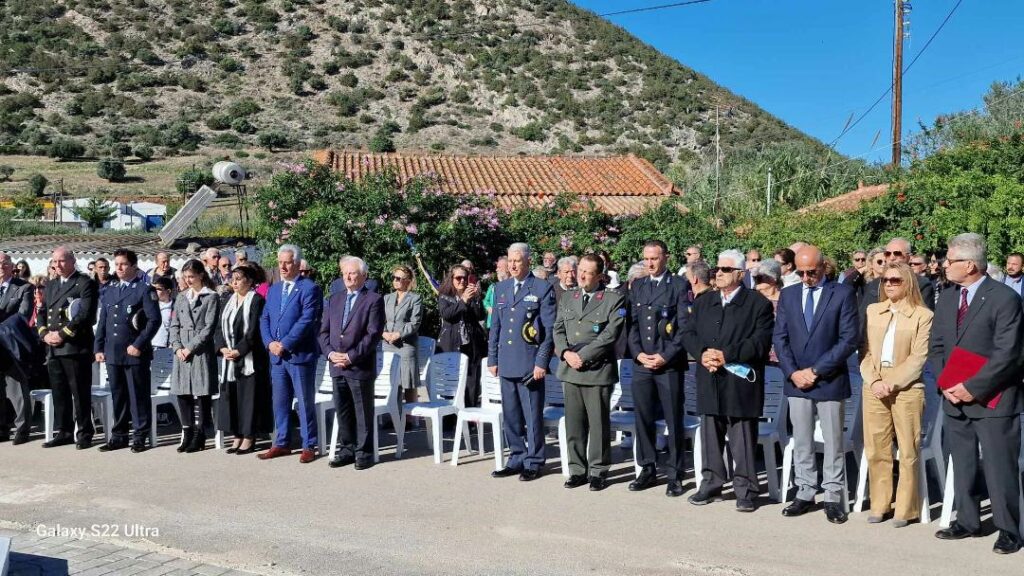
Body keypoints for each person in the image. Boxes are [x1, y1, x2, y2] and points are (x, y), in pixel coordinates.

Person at [931, 233, 1023, 554]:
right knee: (964, 462)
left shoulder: (1004, 299)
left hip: (993, 399)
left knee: (999, 467)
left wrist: (972, 387)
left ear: (969, 264)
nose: (945, 264)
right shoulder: (946, 297)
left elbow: (1008, 354)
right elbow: (937, 346)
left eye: (950, 259)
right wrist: (948, 384)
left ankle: (1009, 528)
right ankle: (968, 521)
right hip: (953, 397)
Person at [683, 249, 775, 512]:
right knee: (711, 433)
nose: (718, 274)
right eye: (716, 270)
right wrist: (703, 354)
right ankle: (711, 483)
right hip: (709, 376)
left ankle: (745, 489)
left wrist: (726, 355)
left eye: (724, 270)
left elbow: (759, 342)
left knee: (742, 437)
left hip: (740, 380)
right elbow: (688, 333)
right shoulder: (704, 301)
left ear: (740, 273)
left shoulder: (757, 304)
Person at [773, 245, 858, 524]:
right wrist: (793, 372)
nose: (807, 277)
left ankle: (833, 495)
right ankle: (805, 490)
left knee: (833, 440)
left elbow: (848, 339)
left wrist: (817, 370)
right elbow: (780, 338)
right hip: (797, 380)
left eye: (812, 272)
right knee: (802, 439)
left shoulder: (842, 293)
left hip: (829, 378)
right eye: (801, 272)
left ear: (824, 267)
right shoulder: (789, 294)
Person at [859, 262, 933, 527]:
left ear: (908, 283)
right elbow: (864, 352)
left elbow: (919, 357)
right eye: (885, 280)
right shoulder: (873, 311)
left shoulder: (922, 315)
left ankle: (906, 509)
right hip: (874, 386)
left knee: (908, 449)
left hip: (907, 389)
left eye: (895, 280)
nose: (889, 284)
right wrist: (875, 380)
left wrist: (892, 382)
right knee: (877, 448)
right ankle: (879, 504)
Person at [553, 254, 625, 492]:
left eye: (587, 272)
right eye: (579, 270)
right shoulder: (568, 297)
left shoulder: (613, 299)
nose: (580, 275)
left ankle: (598, 471)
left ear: (600, 276)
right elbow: (558, 329)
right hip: (570, 369)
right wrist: (565, 353)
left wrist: (582, 356)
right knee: (574, 424)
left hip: (596, 370)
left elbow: (609, 335)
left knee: (598, 424)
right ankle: (577, 470)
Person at [488, 242, 556, 481]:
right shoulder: (501, 288)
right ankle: (516, 457)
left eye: (518, 260)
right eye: (510, 260)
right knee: (511, 415)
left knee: (532, 416)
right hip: (506, 362)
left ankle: (534, 460)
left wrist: (541, 363)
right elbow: (495, 327)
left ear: (528, 261)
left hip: (529, 364)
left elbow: (548, 332)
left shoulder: (542, 288)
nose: (513, 264)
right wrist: (493, 359)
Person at [627, 240, 689, 497]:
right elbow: (631, 325)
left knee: (673, 419)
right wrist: (639, 353)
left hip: (668, 365)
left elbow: (684, 327)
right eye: (646, 259)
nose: (650, 263)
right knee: (643, 417)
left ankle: (675, 474)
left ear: (666, 258)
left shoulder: (678, 285)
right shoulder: (638, 286)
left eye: (654, 258)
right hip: (643, 363)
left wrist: (665, 356)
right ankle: (647, 468)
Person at [259, 244, 324, 463]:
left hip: (298, 354)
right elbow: (265, 318)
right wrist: (269, 343)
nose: (283, 267)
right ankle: (282, 442)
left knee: (304, 401)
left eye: (288, 262)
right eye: (280, 263)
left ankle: (309, 444)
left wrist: (284, 343)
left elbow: (306, 321)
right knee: (280, 401)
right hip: (276, 356)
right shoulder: (275, 289)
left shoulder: (309, 288)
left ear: (297, 264)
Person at [94, 249, 161, 453]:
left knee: (137, 396)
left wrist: (139, 344)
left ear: (133, 266)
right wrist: (98, 347)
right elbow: (103, 322)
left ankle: (140, 435)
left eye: (123, 264)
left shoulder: (144, 289)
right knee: (118, 395)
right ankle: (119, 435)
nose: (119, 268)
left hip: (134, 352)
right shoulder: (110, 290)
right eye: (117, 264)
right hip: (113, 352)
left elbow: (154, 320)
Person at [320, 256, 384, 469]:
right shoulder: (334, 299)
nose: (347, 276)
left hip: (358, 365)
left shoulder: (373, 299)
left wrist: (350, 356)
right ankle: (347, 449)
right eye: (345, 272)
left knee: (362, 411)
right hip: (336, 365)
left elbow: (373, 334)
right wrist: (330, 354)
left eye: (352, 272)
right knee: (343, 410)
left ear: (363, 276)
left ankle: (363, 452)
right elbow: (324, 332)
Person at [39, 247, 98, 449]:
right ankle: (64, 431)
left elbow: (85, 314)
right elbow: (42, 311)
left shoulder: (84, 283)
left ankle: (84, 433)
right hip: (53, 347)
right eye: (55, 261)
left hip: (74, 346)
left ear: (72, 261)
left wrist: (62, 334)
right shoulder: (52, 284)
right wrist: (44, 334)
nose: (58, 265)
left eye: (62, 261)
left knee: (79, 393)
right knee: (59, 392)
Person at [215, 265, 271, 455]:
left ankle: (249, 436)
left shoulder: (256, 301)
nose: (235, 282)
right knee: (232, 397)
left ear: (249, 281)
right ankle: (237, 434)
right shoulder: (228, 301)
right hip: (229, 359)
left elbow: (253, 331)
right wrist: (222, 347)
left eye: (239, 278)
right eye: (233, 278)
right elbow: (219, 328)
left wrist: (239, 351)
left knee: (248, 399)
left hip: (249, 359)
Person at [169, 259, 220, 453]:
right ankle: (187, 431)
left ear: (200, 275)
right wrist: (177, 347)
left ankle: (200, 433)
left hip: (199, 350)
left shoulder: (211, 297)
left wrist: (190, 347)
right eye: (185, 277)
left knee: (201, 391)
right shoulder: (182, 297)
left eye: (191, 276)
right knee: (183, 392)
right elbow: (174, 324)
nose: (188, 280)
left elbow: (208, 328)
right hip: (181, 350)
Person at [438, 265, 487, 407]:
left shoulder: (472, 295)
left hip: (471, 343)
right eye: (458, 278)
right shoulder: (444, 297)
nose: (461, 281)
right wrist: (463, 300)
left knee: (472, 379)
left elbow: (480, 315)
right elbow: (447, 315)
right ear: (451, 279)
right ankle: (450, 417)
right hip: (452, 343)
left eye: (464, 278)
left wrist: (476, 299)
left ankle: (470, 415)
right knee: (451, 379)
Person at [0, 252, 34, 445]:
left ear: (11, 266)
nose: (1, 267)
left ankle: (23, 428)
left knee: (17, 389)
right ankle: (2, 428)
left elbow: (22, 315)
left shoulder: (24, 287)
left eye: (5, 263)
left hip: (11, 344)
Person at [382, 265, 423, 409]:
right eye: (394, 277)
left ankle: (411, 417)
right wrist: (384, 333)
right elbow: (380, 319)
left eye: (399, 278)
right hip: (387, 343)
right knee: (391, 382)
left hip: (405, 344)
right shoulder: (387, 298)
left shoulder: (415, 298)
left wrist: (398, 334)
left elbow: (415, 322)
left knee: (408, 382)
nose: (395, 280)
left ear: (408, 280)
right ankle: (393, 414)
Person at [753, 259, 783, 363]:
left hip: (779, 360)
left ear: (773, 279)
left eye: (759, 278)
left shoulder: (786, 301)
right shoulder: (753, 300)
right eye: (755, 278)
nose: (756, 280)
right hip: (757, 357)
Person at [483, 255, 509, 329]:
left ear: (508, 269)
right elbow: (485, 301)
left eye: (499, 267)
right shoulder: (493, 286)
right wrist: (489, 308)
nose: (496, 270)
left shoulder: (514, 286)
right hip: (492, 324)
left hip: (506, 325)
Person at [150, 277, 174, 349]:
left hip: (166, 346)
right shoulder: (151, 305)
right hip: (150, 344)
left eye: (159, 289)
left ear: (168, 291)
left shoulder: (175, 306)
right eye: (155, 289)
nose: (155, 291)